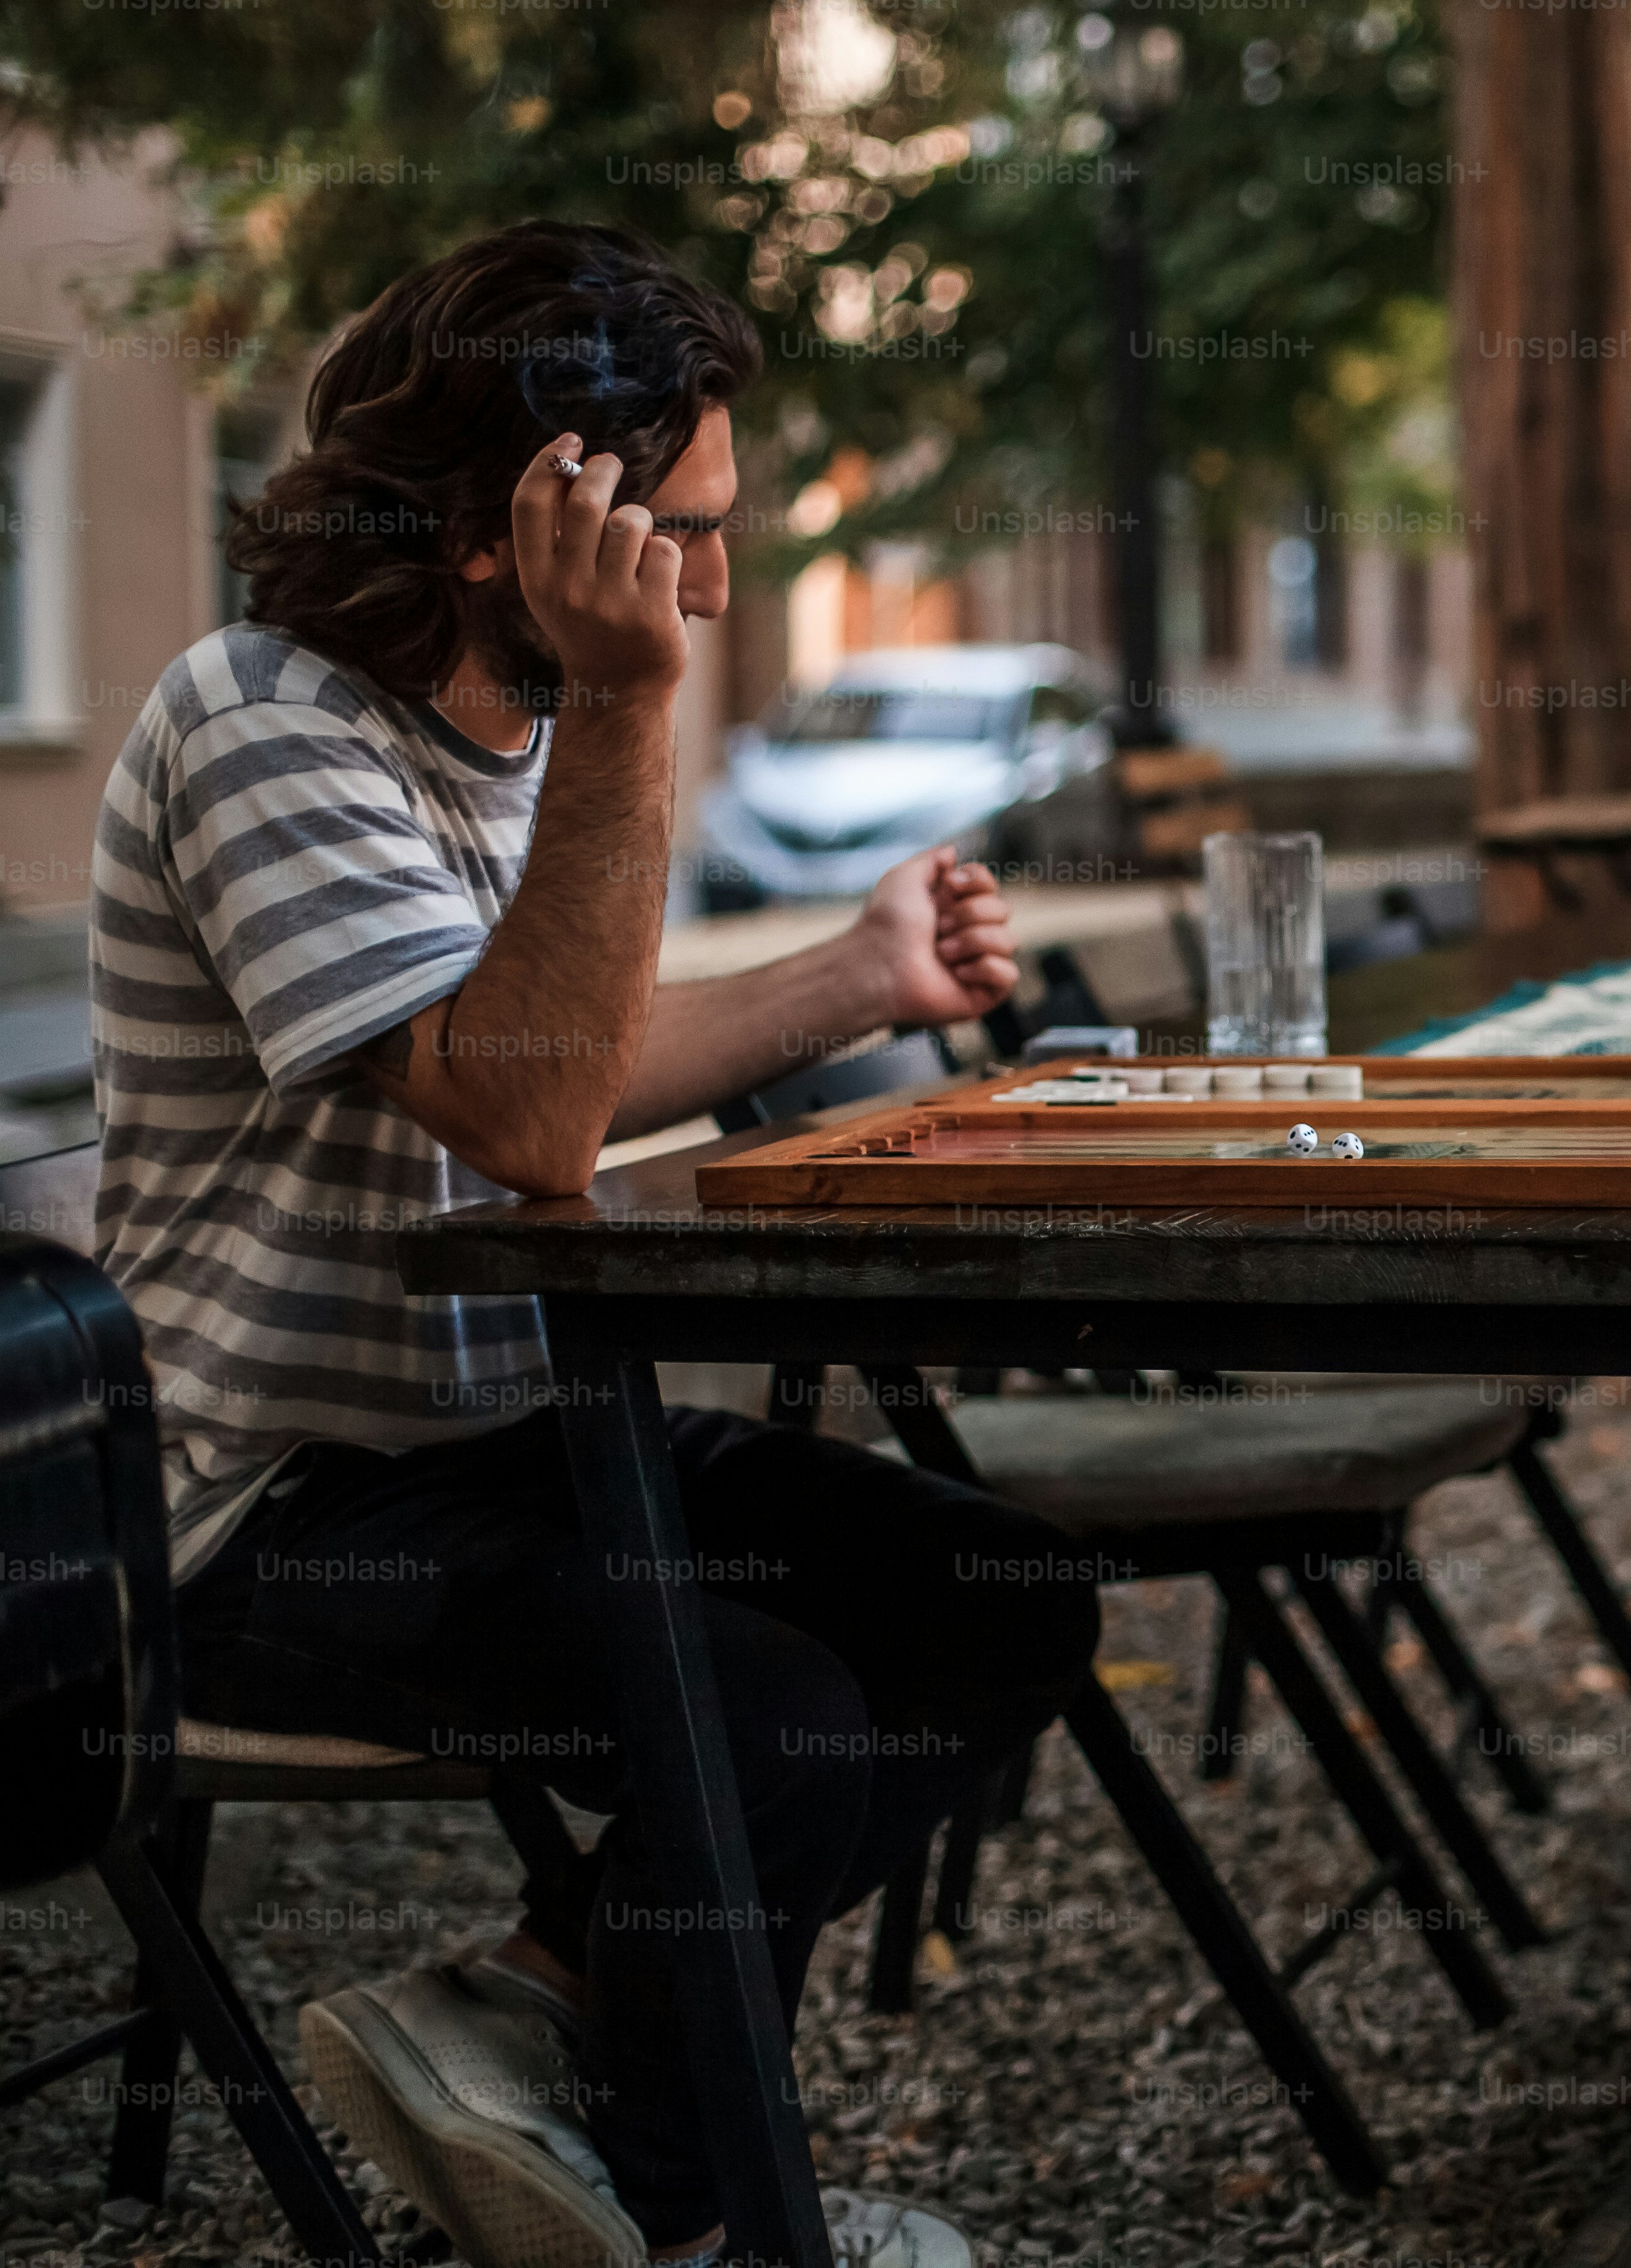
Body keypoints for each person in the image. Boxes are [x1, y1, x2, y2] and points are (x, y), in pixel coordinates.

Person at [89, 221, 1100, 2268]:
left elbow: (543, 1062)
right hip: (264, 1511)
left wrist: (854, 980)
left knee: (1002, 1597)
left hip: (503, 1442)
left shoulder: (500, 730)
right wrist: (637, 710)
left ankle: (535, 2011)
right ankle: (700, 2217)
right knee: (772, 1713)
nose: (714, 590)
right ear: (512, 524)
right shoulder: (261, 724)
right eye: (685, 540)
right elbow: (536, 1112)